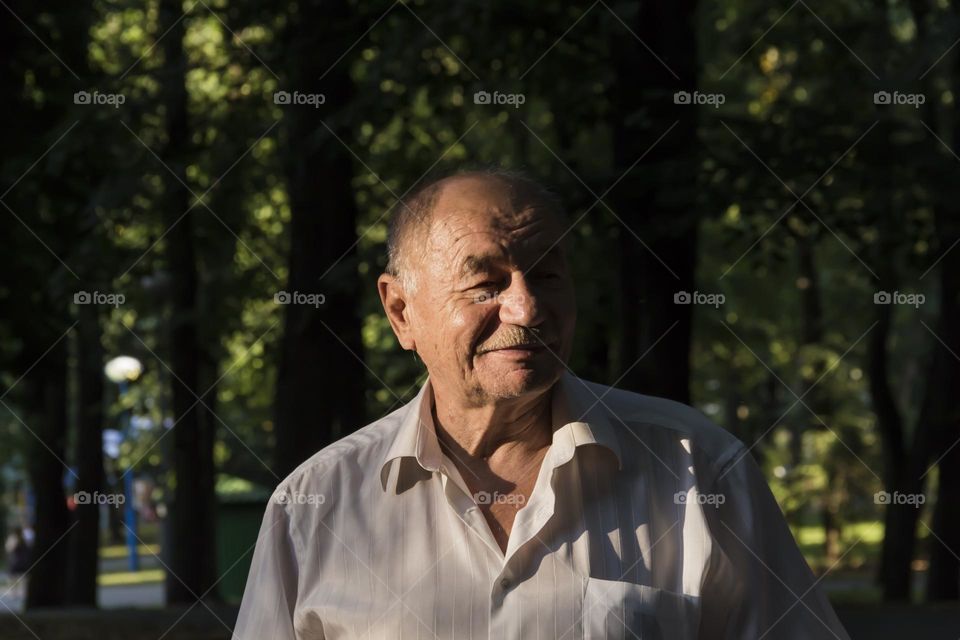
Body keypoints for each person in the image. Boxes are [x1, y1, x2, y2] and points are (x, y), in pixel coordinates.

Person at [234, 169, 851, 639]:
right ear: (401, 311)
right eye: (485, 284)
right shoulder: (314, 506)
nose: (527, 309)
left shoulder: (699, 469)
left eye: (547, 275)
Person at [4, 526, 31, 600]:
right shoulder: (24, 540)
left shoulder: (14, 539)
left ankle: (14, 593)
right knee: (22, 578)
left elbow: (8, 549)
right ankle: (20, 593)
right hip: (23, 561)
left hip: (15, 561)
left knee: (12, 578)